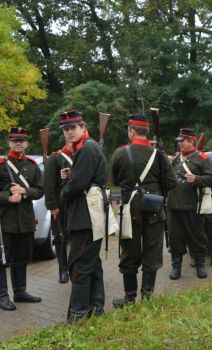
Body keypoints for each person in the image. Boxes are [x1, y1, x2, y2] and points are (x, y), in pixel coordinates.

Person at [110, 114, 176, 308]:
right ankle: (147, 299)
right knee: (152, 253)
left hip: (129, 210)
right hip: (154, 209)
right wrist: (156, 193)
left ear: (131, 131)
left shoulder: (120, 154)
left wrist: (116, 214)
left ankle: (129, 299)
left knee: (129, 254)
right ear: (146, 132)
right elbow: (172, 183)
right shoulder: (159, 154)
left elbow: (113, 186)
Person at [59, 110, 108, 323]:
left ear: (83, 127)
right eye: (66, 129)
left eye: (73, 128)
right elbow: (83, 178)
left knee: (79, 265)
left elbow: (78, 186)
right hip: (89, 215)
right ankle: (96, 308)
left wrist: (64, 190)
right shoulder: (87, 148)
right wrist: (73, 174)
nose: (69, 133)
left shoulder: (86, 149)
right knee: (92, 264)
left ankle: (78, 314)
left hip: (84, 217)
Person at [0, 127, 44, 311]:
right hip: (5, 220)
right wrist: (7, 197)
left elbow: (41, 190)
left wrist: (25, 191)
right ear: (9, 142)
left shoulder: (32, 166)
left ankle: (20, 292)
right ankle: (2, 296)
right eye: (15, 140)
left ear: (26, 143)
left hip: (25, 220)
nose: (18, 143)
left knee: (22, 256)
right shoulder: (2, 165)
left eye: (22, 140)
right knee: (2, 259)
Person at [167, 128, 212, 280]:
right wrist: (166, 163)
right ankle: (176, 267)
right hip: (174, 205)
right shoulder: (175, 159)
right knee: (175, 238)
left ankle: (200, 265)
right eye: (179, 142)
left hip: (193, 206)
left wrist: (196, 179)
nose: (180, 144)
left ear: (191, 141)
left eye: (182, 141)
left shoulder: (202, 158)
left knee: (196, 237)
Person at [43, 127, 73, 284]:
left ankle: (75, 268)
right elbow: (48, 185)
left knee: (76, 238)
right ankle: (63, 269)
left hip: (78, 205)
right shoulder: (55, 158)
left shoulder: (82, 154)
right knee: (60, 238)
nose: (70, 135)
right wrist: (53, 207)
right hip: (60, 206)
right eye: (67, 132)